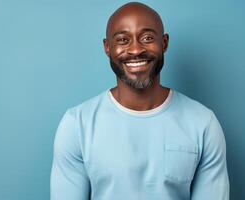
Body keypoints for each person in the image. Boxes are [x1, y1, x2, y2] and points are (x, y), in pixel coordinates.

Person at [50, 2, 229, 200]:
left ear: (165, 43)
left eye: (147, 38)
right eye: (123, 40)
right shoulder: (77, 124)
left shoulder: (203, 123)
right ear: (107, 48)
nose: (135, 49)